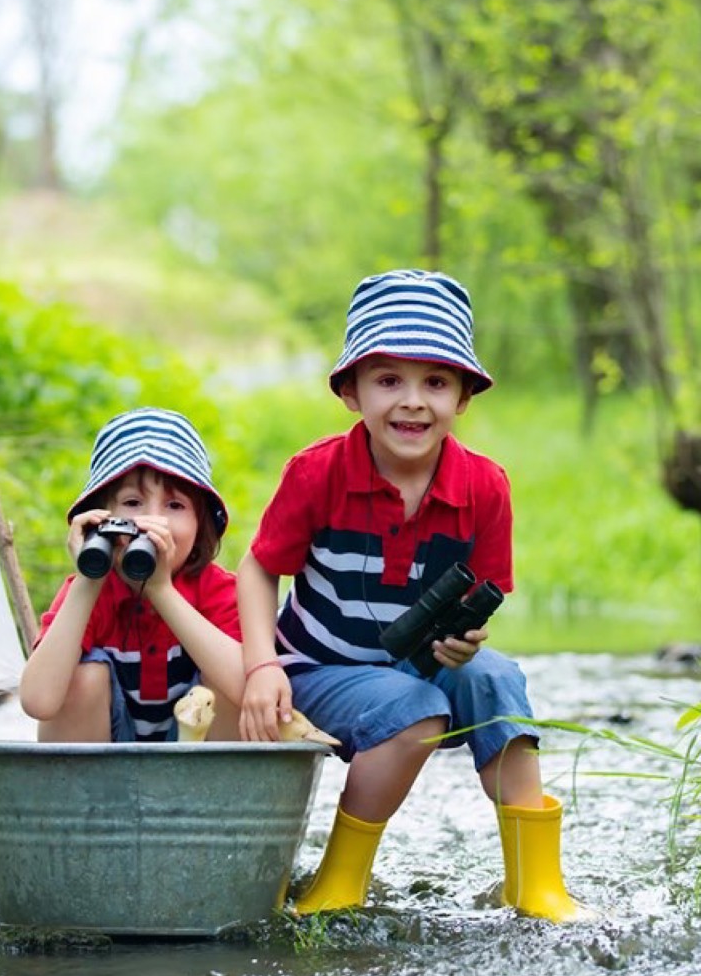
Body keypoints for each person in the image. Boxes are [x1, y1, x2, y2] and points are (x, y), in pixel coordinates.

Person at [238, 269, 586, 922]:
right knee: (418, 708)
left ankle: (537, 882)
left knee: (497, 680)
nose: (413, 402)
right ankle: (342, 879)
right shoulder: (318, 474)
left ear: (462, 397)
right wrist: (260, 667)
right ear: (352, 391)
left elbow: (485, 598)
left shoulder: (484, 488)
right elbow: (259, 569)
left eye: (435, 381)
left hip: (421, 660)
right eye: (389, 379)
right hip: (320, 668)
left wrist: (467, 641)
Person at [19, 407, 243, 742]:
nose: (150, 522)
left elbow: (249, 688)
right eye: (133, 503)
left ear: (201, 525)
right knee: (81, 677)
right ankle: (83, 795)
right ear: (101, 517)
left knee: (227, 683)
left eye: (175, 506)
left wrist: (161, 590)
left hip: (197, 769)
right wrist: (87, 580)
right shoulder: (90, 593)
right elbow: (38, 701)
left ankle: (217, 795)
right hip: (105, 769)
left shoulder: (216, 590)